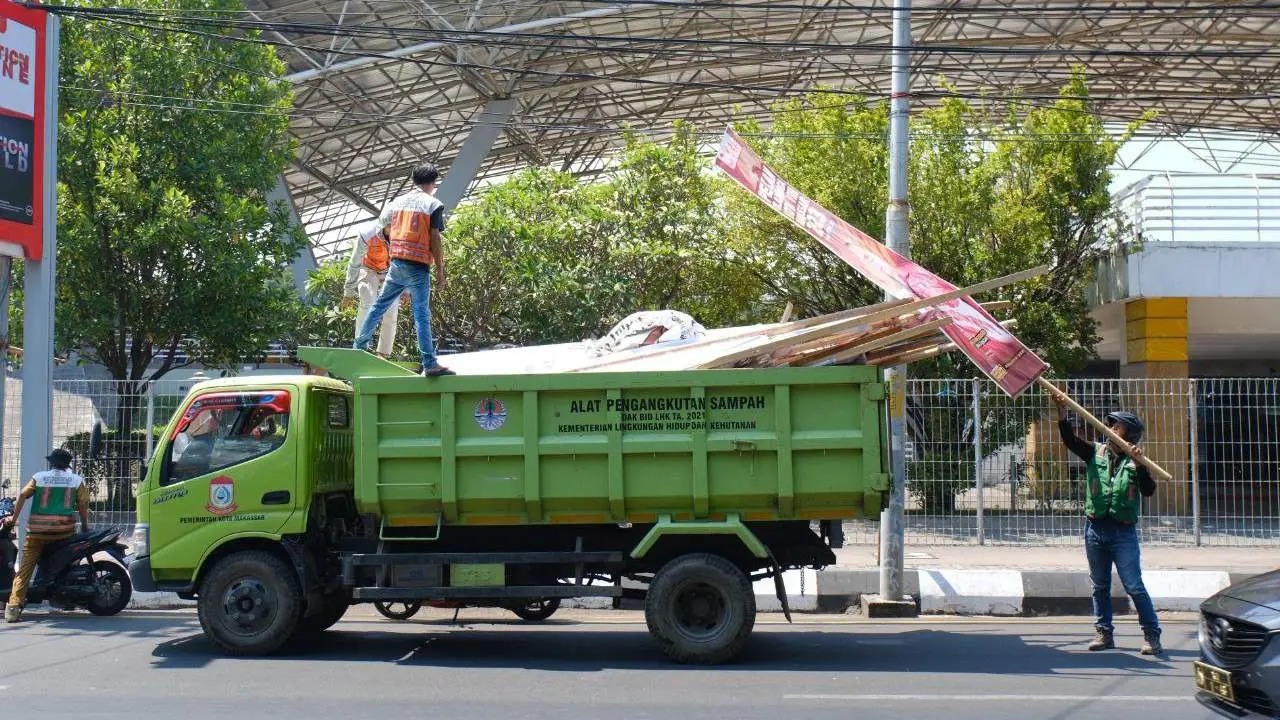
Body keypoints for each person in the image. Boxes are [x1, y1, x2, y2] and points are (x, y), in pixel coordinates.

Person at [1052, 396, 1162, 655]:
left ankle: (1152, 635)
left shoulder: (1136, 462)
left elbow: (1148, 491)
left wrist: (1141, 466)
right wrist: (1061, 413)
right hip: (1095, 529)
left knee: (1133, 585)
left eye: (1118, 427)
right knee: (1099, 584)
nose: (1111, 429)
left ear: (1130, 435)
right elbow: (1070, 441)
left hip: (1123, 532)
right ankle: (1104, 633)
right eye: (1111, 426)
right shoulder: (1095, 451)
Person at [354, 163, 454, 377]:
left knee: (379, 306)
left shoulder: (396, 202)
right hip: (418, 266)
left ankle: (358, 347)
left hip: (397, 263)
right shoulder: (433, 204)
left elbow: (382, 223)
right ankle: (429, 362)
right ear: (432, 184)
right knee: (421, 315)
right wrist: (440, 271)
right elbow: (435, 238)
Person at [4, 448, 90, 623]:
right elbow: (83, 505)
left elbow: (22, 495)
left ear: (51, 462)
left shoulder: (39, 477)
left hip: (36, 533)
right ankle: (66, 599)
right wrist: (85, 527)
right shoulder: (75, 480)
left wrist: (13, 519)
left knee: (25, 571)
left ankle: (13, 609)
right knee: (69, 562)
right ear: (67, 465)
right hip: (63, 533)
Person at [342, 221, 399, 358]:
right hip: (367, 269)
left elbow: (407, 263)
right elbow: (354, 264)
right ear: (385, 224)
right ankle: (360, 348)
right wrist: (348, 292)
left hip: (390, 271)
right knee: (368, 302)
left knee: (392, 307)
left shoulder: (404, 236)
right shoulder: (367, 234)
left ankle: (383, 353)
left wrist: (407, 290)